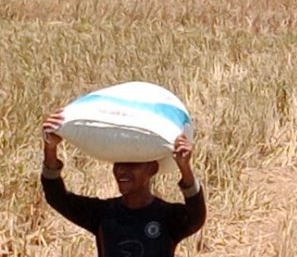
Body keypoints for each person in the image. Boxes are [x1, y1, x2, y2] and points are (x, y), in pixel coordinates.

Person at [41, 110, 206, 257]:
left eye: (132, 164)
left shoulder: (168, 217)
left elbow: (196, 217)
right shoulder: (103, 214)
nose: (121, 170)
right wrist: (50, 149)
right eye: (119, 163)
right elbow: (56, 197)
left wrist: (185, 167)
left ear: (152, 169)